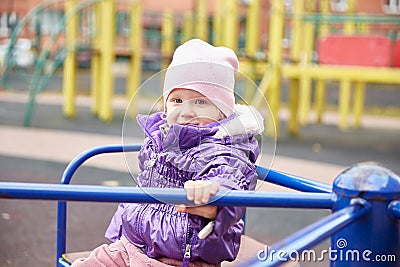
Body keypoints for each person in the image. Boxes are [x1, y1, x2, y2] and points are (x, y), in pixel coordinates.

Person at [71, 39, 264, 267]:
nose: (186, 112)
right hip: (133, 244)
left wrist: (214, 195)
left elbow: (230, 175)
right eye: (177, 100)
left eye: (200, 101)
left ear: (222, 112)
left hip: (181, 256)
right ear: (166, 105)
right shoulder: (161, 135)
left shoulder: (224, 146)